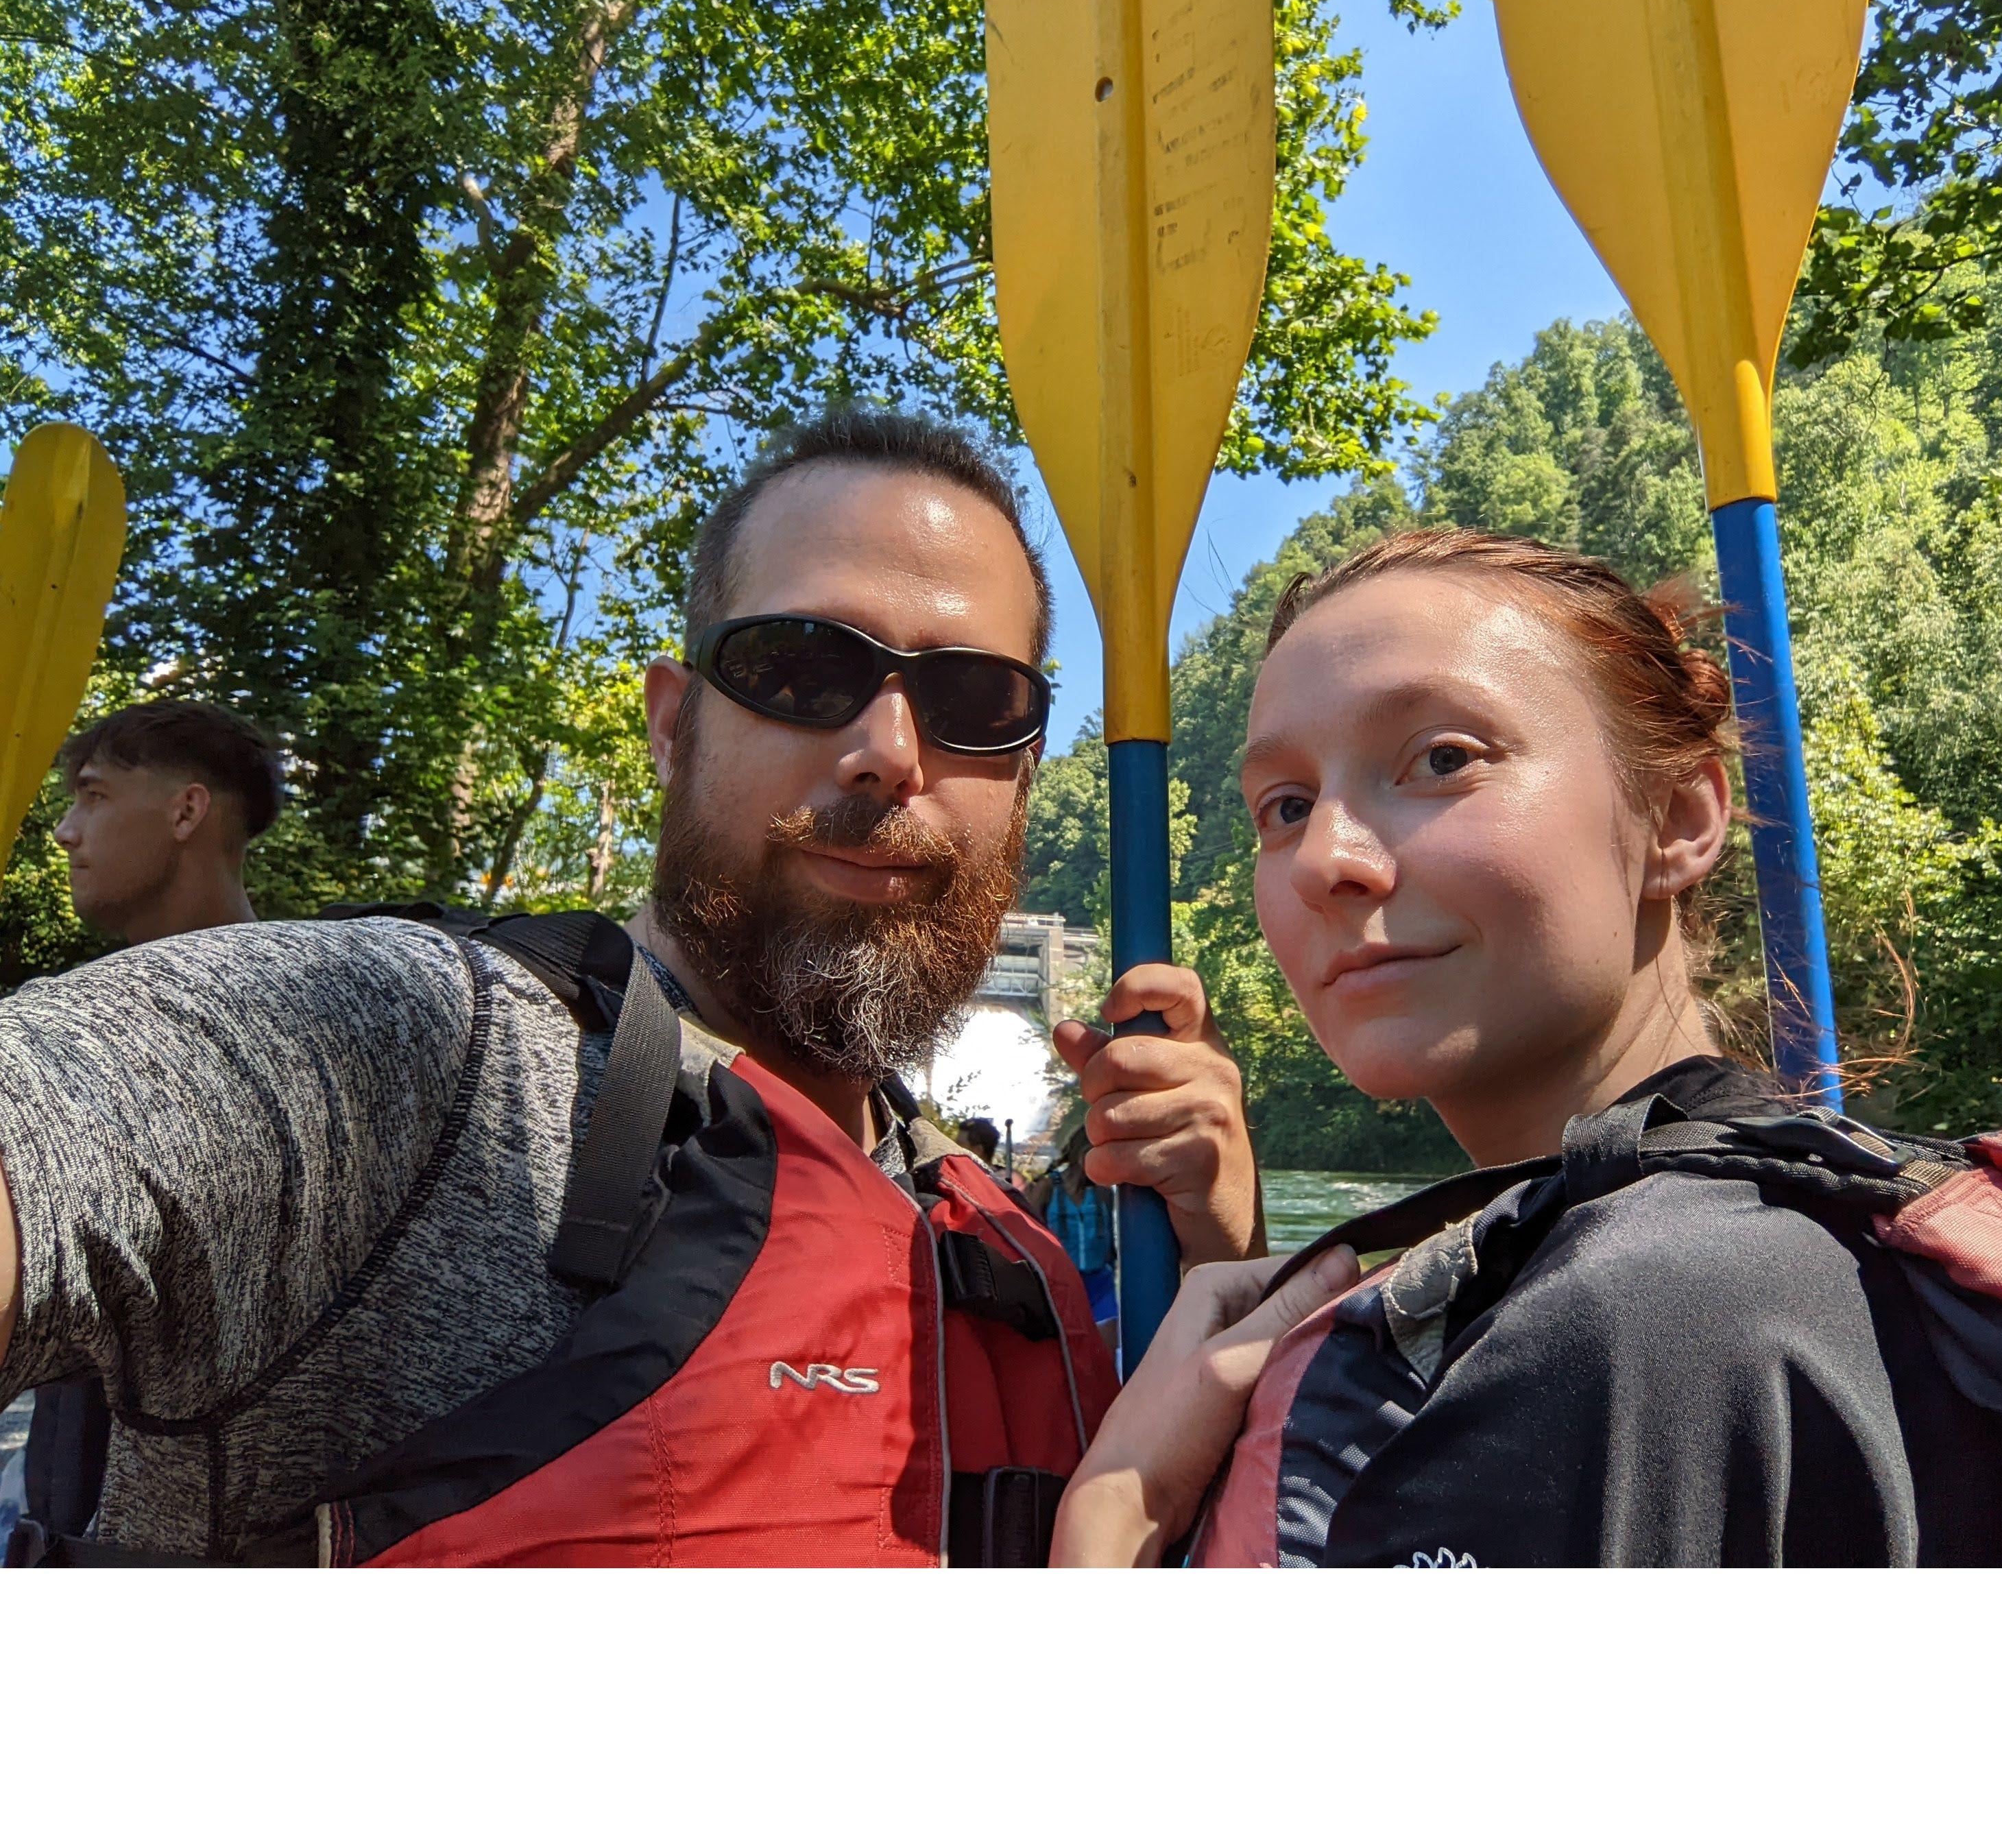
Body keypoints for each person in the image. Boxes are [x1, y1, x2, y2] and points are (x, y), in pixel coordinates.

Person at [0, 409, 1256, 1566]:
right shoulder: (403, 1048)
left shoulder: (1017, 1242)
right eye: (802, 667)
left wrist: (1224, 1258)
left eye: (972, 697)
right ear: (670, 721)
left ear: (1023, 772)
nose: (886, 752)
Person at [1050, 527, 2002, 1568]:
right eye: (1286, 807)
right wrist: (1230, 1250)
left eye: (1442, 759)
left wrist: (1117, 1516)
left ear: (1676, 817)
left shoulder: (1629, 1322)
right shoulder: (1794, 1227)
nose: (1321, 860)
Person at [0, 700, 285, 1560]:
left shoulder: (303, 1034)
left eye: (91, 796)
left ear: (186, 812)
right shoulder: (59, 1029)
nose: (63, 833)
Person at [52, 700, 282, 944]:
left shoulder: (92, 983)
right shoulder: (316, 971)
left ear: (187, 812)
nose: (64, 833)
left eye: (96, 797)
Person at [1033, 1125, 1120, 1349]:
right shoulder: (1047, 1187)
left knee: (1107, 1355)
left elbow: (1109, 1237)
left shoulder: (1103, 1192)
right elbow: (1025, 1233)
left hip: (1100, 1282)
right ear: (1082, 1155)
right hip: (1061, 1285)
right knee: (1069, 1357)